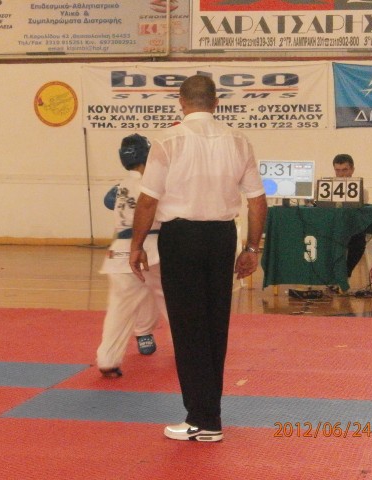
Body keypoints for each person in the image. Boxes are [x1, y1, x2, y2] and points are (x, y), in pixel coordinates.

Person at [129, 75, 267, 442]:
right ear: (216, 103)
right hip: (222, 237)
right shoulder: (238, 140)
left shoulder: (168, 140)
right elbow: (257, 201)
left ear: (181, 102)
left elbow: (148, 200)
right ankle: (209, 415)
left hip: (181, 238)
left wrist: (136, 245)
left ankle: (203, 420)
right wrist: (252, 248)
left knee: (188, 327)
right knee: (214, 326)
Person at [96, 134, 168, 378]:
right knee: (175, 302)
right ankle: (192, 351)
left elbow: (109, 202)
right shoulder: (152, 184)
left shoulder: (121, 186)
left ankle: (107, 359)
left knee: (119, 308)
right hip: (150, 248)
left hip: (119, 252)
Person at [332, 154, 367, 278]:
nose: (341, 174)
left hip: (351, 229)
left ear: (352, 170)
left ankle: (345, 274)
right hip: (330, 228)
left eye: (345, 170)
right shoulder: (325, 188)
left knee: (358, 241)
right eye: (337, 170)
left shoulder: (362, 191)